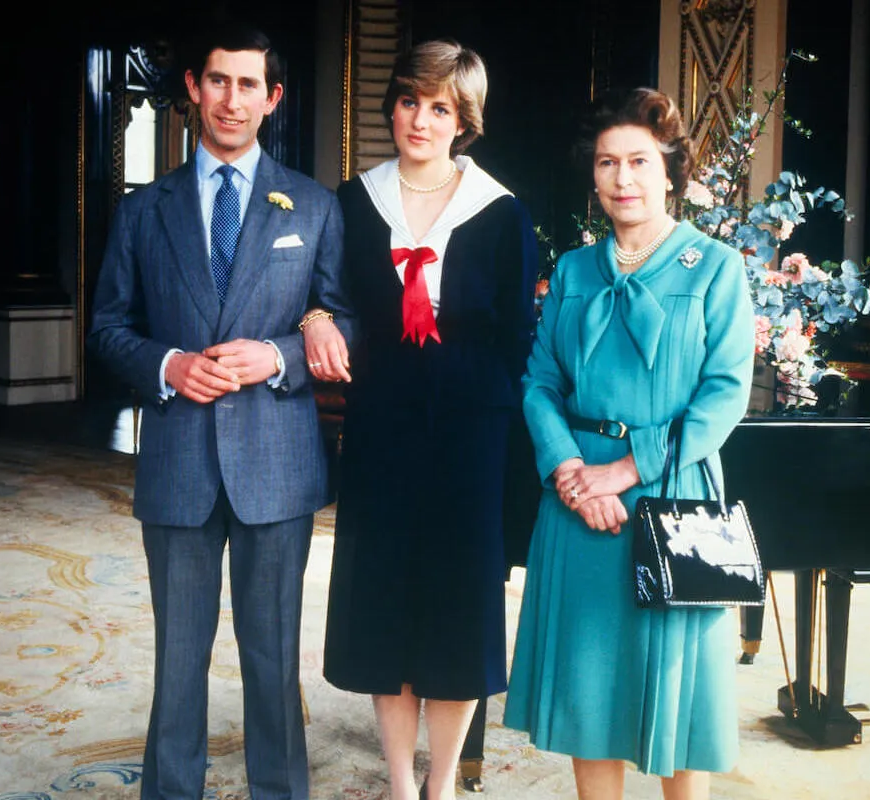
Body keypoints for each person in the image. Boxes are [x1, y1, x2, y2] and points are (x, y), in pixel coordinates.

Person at [88, 26, 353, 800]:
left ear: (272, 99)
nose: (230, 100)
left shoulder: (313, 204)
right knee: (179, 658)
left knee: (272, 657)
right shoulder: (145, 211)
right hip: (176, 459)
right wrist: (167, 365)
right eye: (217, 82)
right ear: (193, 92)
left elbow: (345, 318)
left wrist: (280, 355)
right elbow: (106, 328)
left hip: (277, 464)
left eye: (248, 85)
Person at [503, 87, 755, 800]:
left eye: (639, 162)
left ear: (670, 169)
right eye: (608, 163)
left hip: (671, 495)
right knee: (590, 691)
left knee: (680, 697)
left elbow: (725, 395)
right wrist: (569, 470)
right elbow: (539, 383)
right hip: (578, 497)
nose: (623, 179)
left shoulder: (715, 268)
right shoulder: (576, 271)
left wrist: (624, 470)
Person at [309, 39, 538, 800]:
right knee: (386, 599)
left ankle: (442, 784)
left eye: (440, 107)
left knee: (457, 606)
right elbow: (326, 294)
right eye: (410, 101)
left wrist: (492, 420)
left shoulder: (501, 213)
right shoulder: (353, 199)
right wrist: (315, 316)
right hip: (383, 425)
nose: (420, 119)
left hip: (472, 432)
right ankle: (401, 785)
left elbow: (518, 340)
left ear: (463, 120)